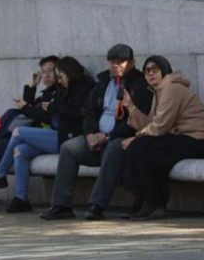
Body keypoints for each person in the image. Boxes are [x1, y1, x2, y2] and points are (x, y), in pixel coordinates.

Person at [41, 44, 152, 221]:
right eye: (112, 62)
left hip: (120, 139)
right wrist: (90, 134)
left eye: (120, 62)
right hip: (97, 137)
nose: (115, 65)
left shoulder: (139, 84)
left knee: (114, 148)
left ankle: (96, 205)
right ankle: (61, 205)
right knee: (69, 148)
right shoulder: (104, 82)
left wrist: (108, 136)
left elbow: (136, 122)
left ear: (131, 63)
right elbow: (88, 112)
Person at [0, 56, 92, 213]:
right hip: (54, 135)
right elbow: (32, 111)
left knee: (18, 132)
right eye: (43, 72)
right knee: (20, 151)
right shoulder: (58, 90)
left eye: (56, 74)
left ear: (68, 73)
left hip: (67, 137)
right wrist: (31, 87)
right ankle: (21, 199)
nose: (50, 77)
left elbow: (70, 114)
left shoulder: (80, 89)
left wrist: (51, 108)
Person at [121, 56, 204, 220]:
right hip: (180, 138)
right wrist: (130, 106)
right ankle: (148, 201)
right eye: (147, 71)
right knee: (145, 148)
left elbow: (161, 126)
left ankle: (152, 203)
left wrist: (136, 138)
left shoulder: (172, 89)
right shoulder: (158, 92)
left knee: (142, 147)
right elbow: (151, 124)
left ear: (164, 71)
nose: (151, 74)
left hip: (196, 139)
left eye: (155, 70)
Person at [0, 56, 58, 188]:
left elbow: (45, 117)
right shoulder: (46, 94)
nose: (46, 75)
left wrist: (25, 107)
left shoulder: (59, 94)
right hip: (30, 136)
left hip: (44, 137)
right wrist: (31, 87)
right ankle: (14, 193)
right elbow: (28, 113)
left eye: (50, 71)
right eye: (43, 72)